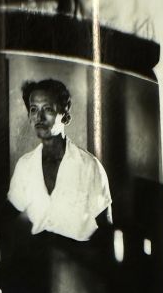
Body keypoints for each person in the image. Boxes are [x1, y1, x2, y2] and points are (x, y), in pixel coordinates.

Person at [8, 79, 111, 244]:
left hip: (79, 255)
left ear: (65, 113)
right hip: (38, 254)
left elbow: (106, 231)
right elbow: (11, 219)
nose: (39, 117)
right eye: (34, 109)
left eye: (48, 109)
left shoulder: (89, 166)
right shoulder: (24, 166)